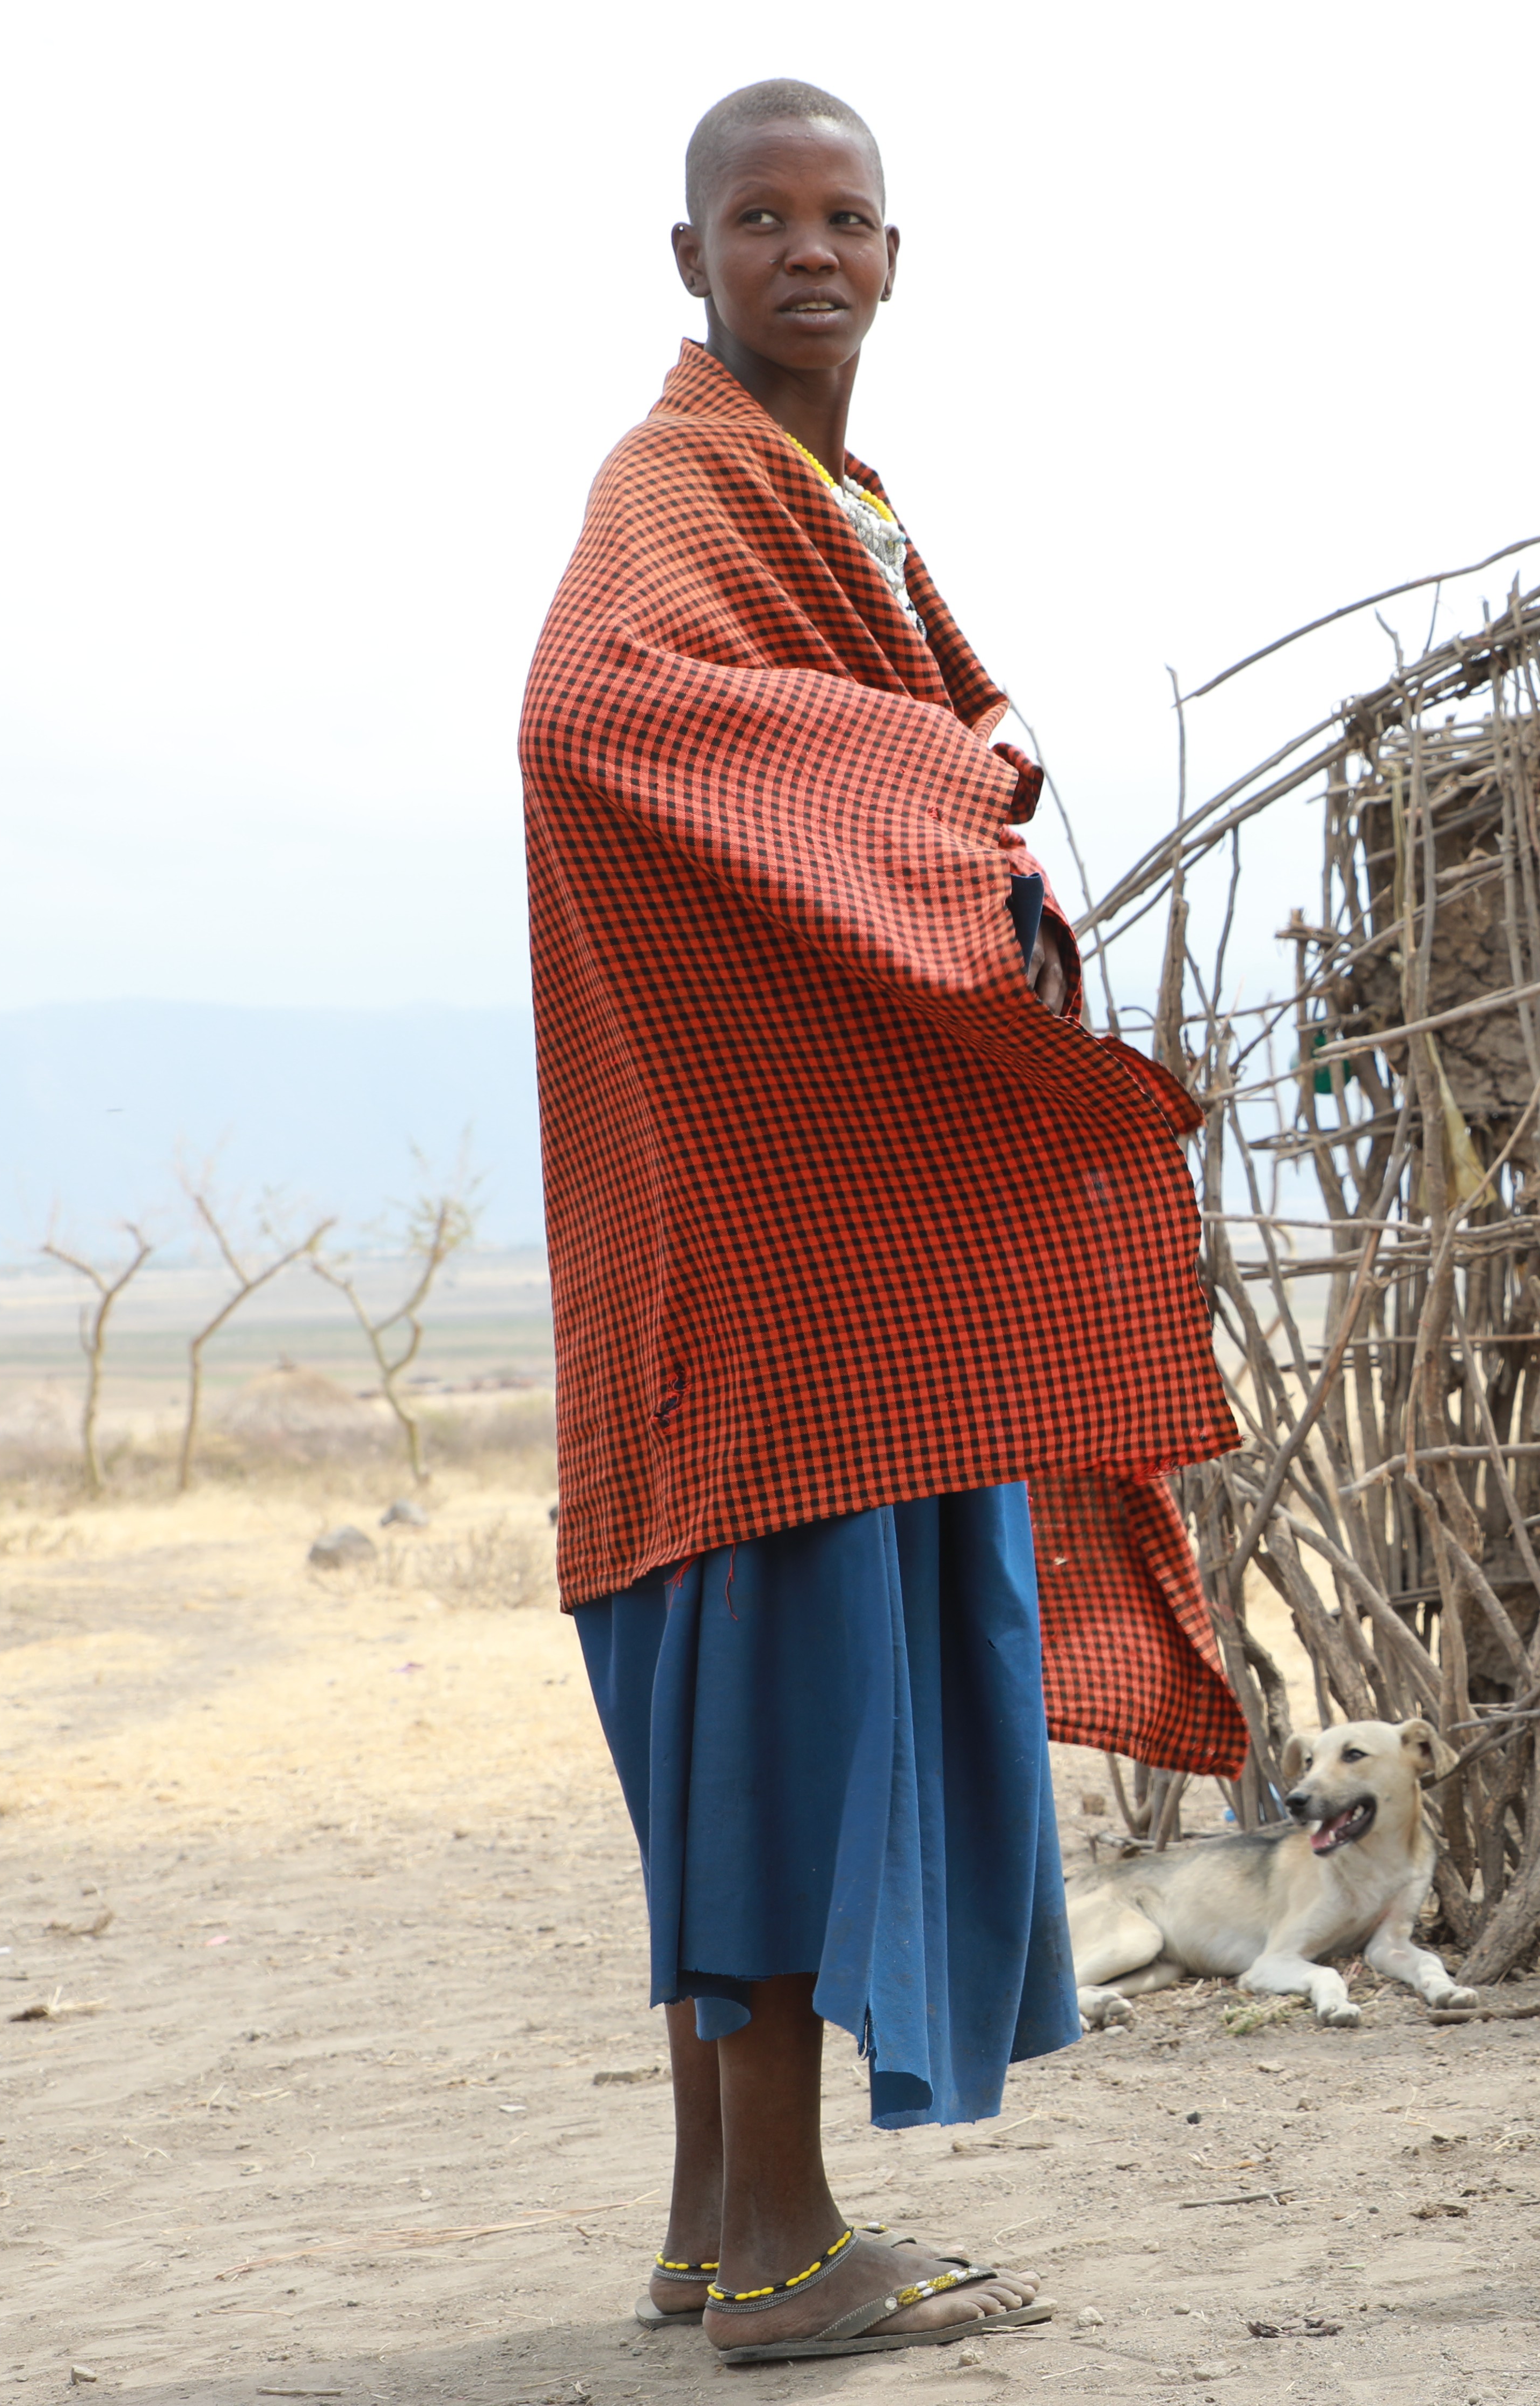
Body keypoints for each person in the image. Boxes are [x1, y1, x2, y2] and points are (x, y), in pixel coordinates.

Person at [519, 80, 1239, 2362]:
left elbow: (919, 715)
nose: (805, 251)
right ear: (692, 255)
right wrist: (964, 796)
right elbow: (595, 717)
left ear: (896, 257)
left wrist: (978, 772)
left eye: (843, 217)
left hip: (840, 1260)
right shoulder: (674, 487)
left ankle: (717, 2228)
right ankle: (790, 2255)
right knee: (783, 1723)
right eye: (761, 217)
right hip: (775, 1255)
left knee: (772, 1710)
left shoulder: (839, 499)